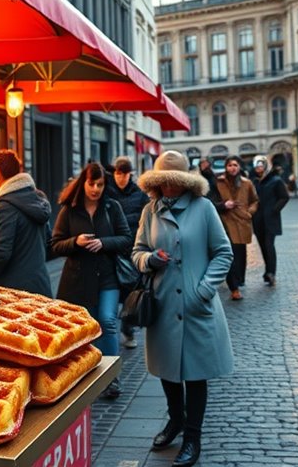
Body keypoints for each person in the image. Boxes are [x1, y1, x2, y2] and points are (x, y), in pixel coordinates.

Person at [132, 150, 233, 467]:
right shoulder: (150, 210)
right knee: (168, 369)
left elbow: (223, 252)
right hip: (163, 303)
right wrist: (150, 259)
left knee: (196, 373)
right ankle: (175, 420)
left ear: (186, 182)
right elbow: (137, 251)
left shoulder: (203, 208)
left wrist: (203, 290)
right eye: (163, 182)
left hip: (195, 303)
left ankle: (192, 436)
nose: (168, 188)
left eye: (173, 182)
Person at [50, 163, 132, 399]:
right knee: (88, 328)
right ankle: (89, 374)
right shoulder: (70, 210)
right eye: (91, 183)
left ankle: (112, 378)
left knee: (107, 320)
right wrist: (75, 242)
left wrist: (104, 243)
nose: (95, 189)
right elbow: (55, 245)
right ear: (83, 183)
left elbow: (126, 238)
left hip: (108, 277)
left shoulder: (112, 207)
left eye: (100, 184)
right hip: (78, 280)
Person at [0, 149, 53, 296]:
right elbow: (49, 243)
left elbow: (0, 254)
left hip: (15, 292)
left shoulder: (4, 206)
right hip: (40, 286)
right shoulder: (37, 198)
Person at [105, 155, 150, 348]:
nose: (121, 178)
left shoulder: (139, 194)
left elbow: (145, 218)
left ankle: (128, 329)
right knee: (111, 289)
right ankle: (109, 328)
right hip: (110, 250)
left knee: (132, 291)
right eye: (118, 173)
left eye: (125, 174)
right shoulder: (106, 191)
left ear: (130, 174)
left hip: (132, 249)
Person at [212, 155, 259, 300]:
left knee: (240, 254)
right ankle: (234, 288)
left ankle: (239, 280)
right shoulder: (218, 182)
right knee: (229, 254)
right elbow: (211, 202)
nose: (232, 168)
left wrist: (249, 212)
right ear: (226, 167)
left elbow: (255, 200)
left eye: (235, 165)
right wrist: (223, 205)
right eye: (230, 165)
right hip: (225, 222)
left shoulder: (247, 183)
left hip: (241, 222)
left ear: (239, 167)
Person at [251, 154, 290, 287]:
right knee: (263, 247)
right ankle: (267, 271)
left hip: (270, 220)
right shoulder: (254, 182)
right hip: (258, 220)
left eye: (261, 165)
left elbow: (284, 197)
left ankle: (271, 273)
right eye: (256, 166)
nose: (258, 168)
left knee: (269, 246)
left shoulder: (276, 180)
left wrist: (274, 210)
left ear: (266, 166)